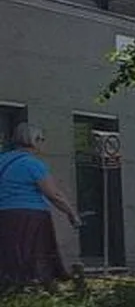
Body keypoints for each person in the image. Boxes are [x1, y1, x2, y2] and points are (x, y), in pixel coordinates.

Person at [0, 122, 79, 286]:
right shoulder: (33, 164)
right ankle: (36, 288)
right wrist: (71, 213)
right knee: (37, 254)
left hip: (4, 214)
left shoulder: (2, 160)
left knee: (9, 254)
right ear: (34, 140)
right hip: (32, 216)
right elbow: (54, 195)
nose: (43, 143)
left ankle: (9, 287)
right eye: (41, 139)